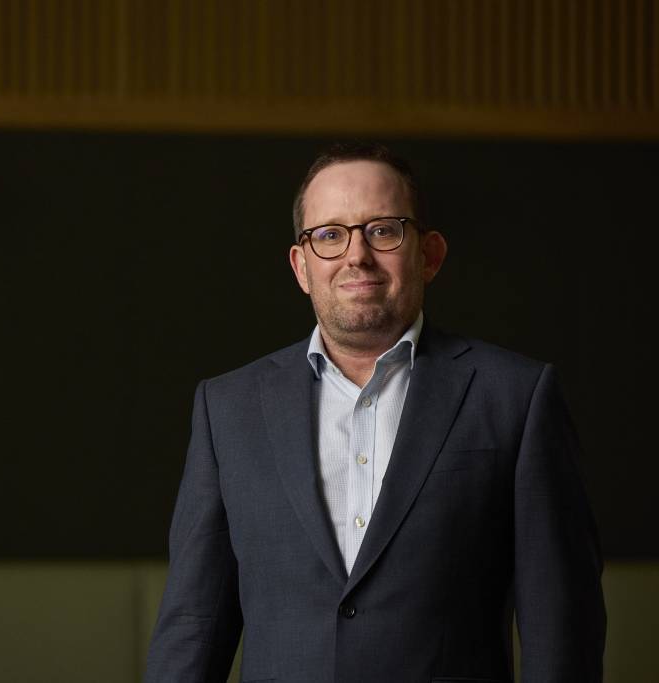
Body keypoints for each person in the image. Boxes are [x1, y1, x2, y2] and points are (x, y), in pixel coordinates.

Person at [144, 143, 605, 683]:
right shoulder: (228, 408)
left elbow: (562, 627)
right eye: (329, 235)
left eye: (383, 230)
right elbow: (194, 625)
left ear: (429, 255)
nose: (356, 255)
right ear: (301, 266)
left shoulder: (516, 397)